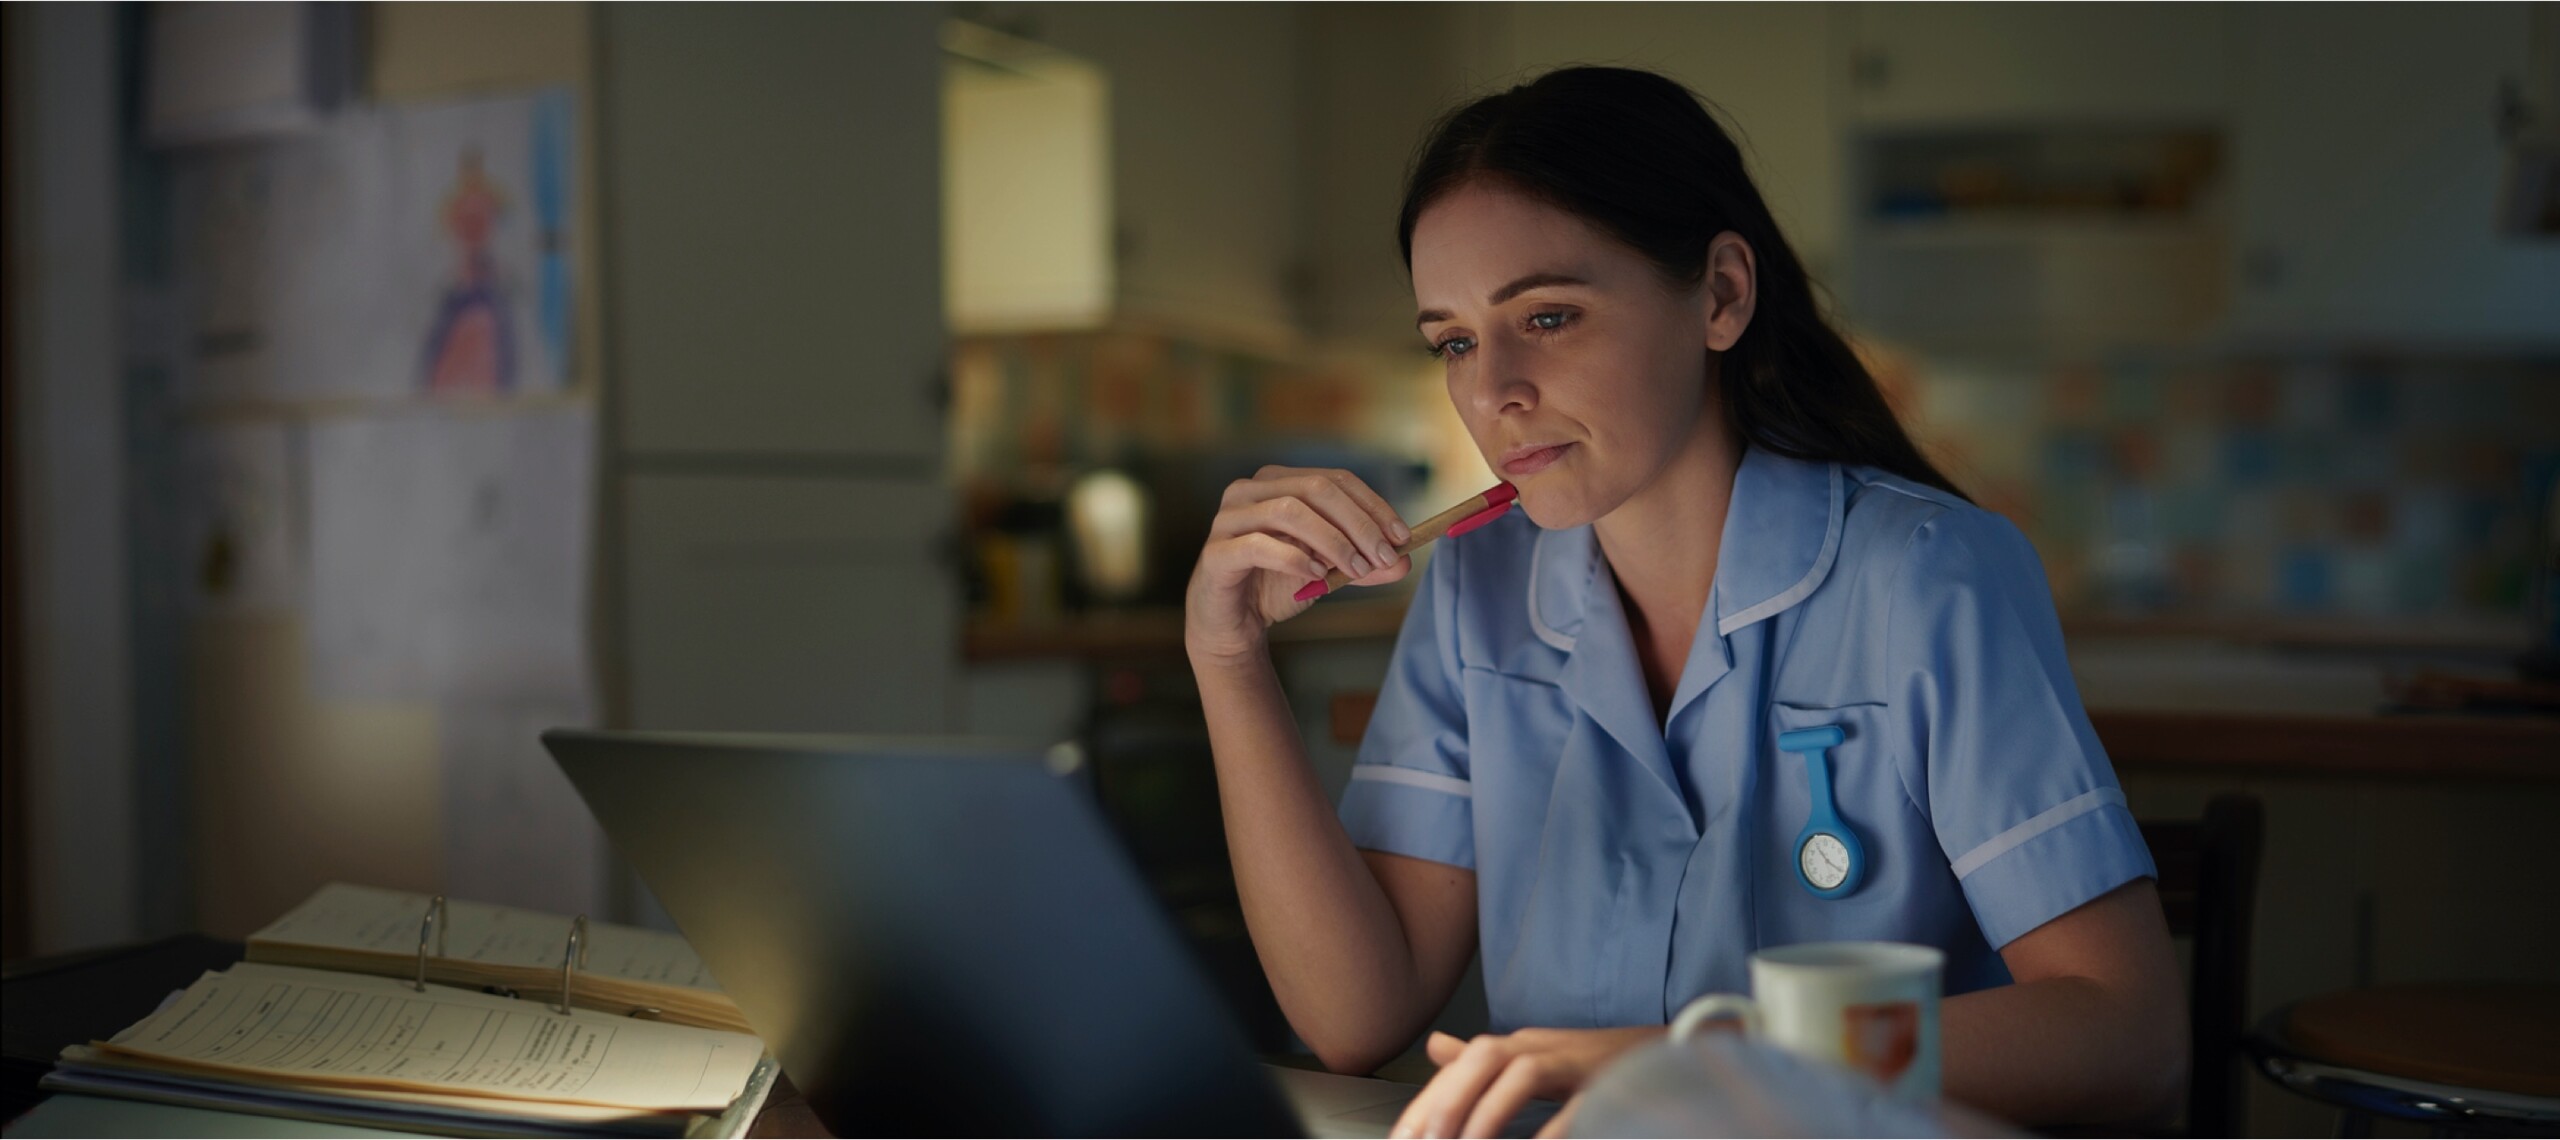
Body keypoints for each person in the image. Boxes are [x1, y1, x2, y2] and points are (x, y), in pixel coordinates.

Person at [1184, 67, 2184, 1137]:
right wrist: (1227, 658)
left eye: (1549, 315)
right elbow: (1353, 1018)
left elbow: (2124, 1034)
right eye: (1455, 341)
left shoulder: (1928, 575)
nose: (1491, 392)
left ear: (1719, 296)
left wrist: (1701, 1064)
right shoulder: (1476, 589)